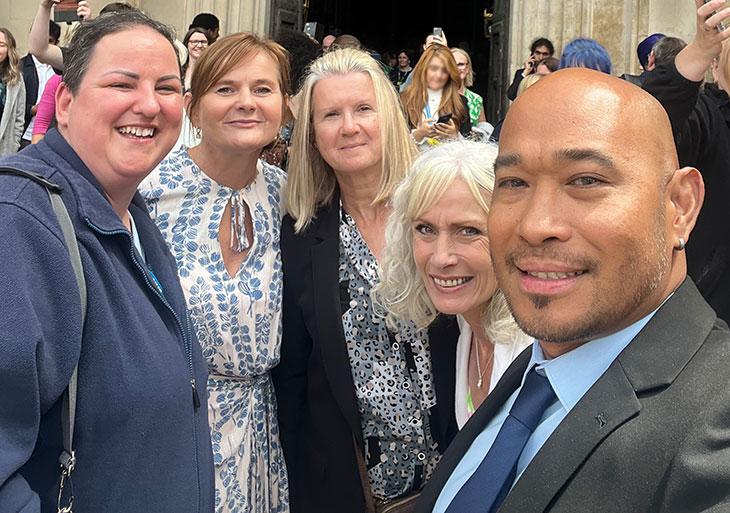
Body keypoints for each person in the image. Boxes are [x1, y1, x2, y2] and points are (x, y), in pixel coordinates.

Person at [416, 61, 730, 513]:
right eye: (514, 183)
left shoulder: (715, 434)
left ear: (679, 207)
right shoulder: (539, 368)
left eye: (586, 180)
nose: (536, 224)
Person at [0, 11, 215, 512]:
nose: (148, 104)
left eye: (166, 87)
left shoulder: (130, 212)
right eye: (123, 83)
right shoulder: (20, 223)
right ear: (67, 103)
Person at [273, 47, 460, 513]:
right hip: (351, 489)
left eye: (362, 109)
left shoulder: (439, 209)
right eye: (330, 115)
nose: (349, 126)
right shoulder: (299, 237)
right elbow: (293, 377)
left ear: (389, 118)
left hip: (457, 477)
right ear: (312, 135)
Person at [140, 33, 291, 513]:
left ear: (285, 107)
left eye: (263, 89)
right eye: (225, 89)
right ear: (193, 107)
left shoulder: (291, 199)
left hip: (261, 440)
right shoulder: (147, 193)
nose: (246, 102)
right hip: (169, 434)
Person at [376, 140, 532, 429]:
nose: (441, 256)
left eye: (468, 231)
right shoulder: (466, 328)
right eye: (426, 229)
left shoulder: (535, 351)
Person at [642, 0, 730, 323]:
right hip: (711, 321)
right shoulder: (707, 117)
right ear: (715, 68)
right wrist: (700, 49)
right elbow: (650, 119)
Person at [402, 44, 471, 145]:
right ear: (423, 69)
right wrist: (418, 135)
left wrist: (455, 137)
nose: (438, 75)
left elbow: (469, 148)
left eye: (444, 70)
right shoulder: (404, 100)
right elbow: (393, 145)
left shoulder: (460, 102)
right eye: (434, 68)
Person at [21, 20, 60, 148]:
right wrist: (31, 109)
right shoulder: (19, 67)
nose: (43, 46)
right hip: (24, 135)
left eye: (49, 41)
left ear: (56, 43)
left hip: (54, 137)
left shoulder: (61, 70)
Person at [0, 27, 25, 157]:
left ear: (9, 49)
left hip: (4, 150)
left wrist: (14, 144)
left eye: (1, 45)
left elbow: (19, 118)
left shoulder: (17, 78)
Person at [451, 48, 487, 126]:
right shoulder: (437, 96)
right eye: (452, 64)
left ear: (467, 68)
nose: (457, 68)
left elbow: (484, 131)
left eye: (461, 64)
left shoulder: (476, 99)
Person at [182, 27, 211, 92]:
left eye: (204, 42)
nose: (199, 45)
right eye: (194, 41)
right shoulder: (179, 68)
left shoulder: (211, 70)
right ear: (187, 44)